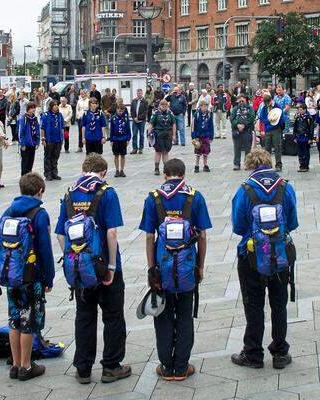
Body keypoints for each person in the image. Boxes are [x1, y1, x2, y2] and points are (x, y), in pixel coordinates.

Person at [55, 154, 131, 384]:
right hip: (103, 264)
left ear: (83, 169)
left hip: (81, 267)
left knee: (85, 316)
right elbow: (111, 232)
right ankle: (111, 366)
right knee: (113, 315)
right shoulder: (107, 192)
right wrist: (111, 266)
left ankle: (83, 368)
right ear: (104, 172)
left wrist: (72, 261)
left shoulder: (69, 194)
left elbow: (60, 234)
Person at [139, 158, 211, 381]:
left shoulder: (154, 197)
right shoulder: (194, 196)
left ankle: (166, 366)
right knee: (185, 314)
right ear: (183, 175)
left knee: (162, 314)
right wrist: (200, 266)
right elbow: (203, 235)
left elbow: (150, 236)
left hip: (163, 265)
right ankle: (181, 366)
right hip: (188, 266)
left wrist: (152, 269)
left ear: (164, 174)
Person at [231, 148, 298, 369]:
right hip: (279, 253)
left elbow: (239, 226)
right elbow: (293, 222)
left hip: (251, 255)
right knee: (279, 304)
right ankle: (280, 352)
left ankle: (253, 353)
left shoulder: (245, 190)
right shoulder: (285, 187)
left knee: (254, 305)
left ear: (250, 166)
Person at [0, 172, 55, 381]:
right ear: (40, 191)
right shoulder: (39, 214)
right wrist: (48, 277)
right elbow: (44, 249)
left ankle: (15, 364)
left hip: (11, 273)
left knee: (14, 319)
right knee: (29, 320)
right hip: (32, 274)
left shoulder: (8, 211)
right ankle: (26, 366)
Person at [149, 99, 177, 176]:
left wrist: (174, 135)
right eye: (162, 105)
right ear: (160, 106)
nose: (164, 107)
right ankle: (156, 168)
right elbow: (151, 124)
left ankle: (166, 169)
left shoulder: (170, 113)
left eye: (165, 106)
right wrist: (149, 134)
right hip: (158, 134)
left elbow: (174, 124)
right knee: (158, 151)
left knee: (165, 152)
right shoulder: (156, 113)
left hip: (168, 134)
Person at [258, 94, 284, 171]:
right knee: (267, 148)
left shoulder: (277, 106)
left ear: (271, 100)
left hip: (276, 129)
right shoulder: (264, 107)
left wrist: (276, 123)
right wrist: (268, 121)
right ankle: (267, 165)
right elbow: (262, 118)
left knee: (277, 148)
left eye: (268, 103)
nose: (267, 105)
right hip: (268, 130)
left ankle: (278, 165)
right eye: (266, 103)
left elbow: (281, 118)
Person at [230, 94, 256, 171]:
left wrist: (244, 125)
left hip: (247, 131)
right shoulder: (235, 109)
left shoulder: (250, 108)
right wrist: (237, 125)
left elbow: (251, 118)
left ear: (246, 100)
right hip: (237, 131)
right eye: (240, 101)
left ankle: (247, 164)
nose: (241, 102)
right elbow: (232, 118)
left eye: (243, 101)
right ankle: (236, 164)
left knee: (248, 149)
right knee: (237, 148)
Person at [40, 101, 64, 181]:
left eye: (57, 105)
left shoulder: (60, 115)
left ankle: (54, 173)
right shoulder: (46, 115)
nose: (56, 106)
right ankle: (48, 174)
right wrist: (43, 138)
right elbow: (42, 128)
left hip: (58, 140)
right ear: (51, 107)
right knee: (48, 157)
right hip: (49, 140)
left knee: (55, 157)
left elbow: (62, 127)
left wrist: (62, 138)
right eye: (54, 105)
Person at [191, 100, 214, 173]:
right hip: (198, 135)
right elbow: (193, 126)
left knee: (206, 151)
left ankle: (205, 165)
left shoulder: (209, 114)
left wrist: (211, 136)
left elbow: (211, 125)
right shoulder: (196, 114)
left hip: (206, 135)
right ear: (200, 106)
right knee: (198, 151)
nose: (204, 107)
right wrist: (193, 136)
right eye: (202, 106)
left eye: (205, 106)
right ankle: (196, 165)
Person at [18, 103, 41, 176]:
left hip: (33, 143)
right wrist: (22, 144)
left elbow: (37, 130)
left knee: (31, 161)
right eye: (32, 108)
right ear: (28, 109)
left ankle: (29, 176)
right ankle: (24, 177)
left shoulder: (34, 118)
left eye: (34, 108)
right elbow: (21, 132)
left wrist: (37, 142)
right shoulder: (24, 118)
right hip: (26, 144)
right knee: (25, 162)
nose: (33, 109)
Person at [110, 104, 131, 177]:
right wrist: (111, 140)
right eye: (119, 109)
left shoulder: (125, 118)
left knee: (123, 155)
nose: (120, 111)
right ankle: (117, 170)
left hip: (123, 139)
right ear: (116, 109)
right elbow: (111, 129)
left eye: (122, 110)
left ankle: (122, 170)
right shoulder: (113, 118)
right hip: (115, 139)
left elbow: (128, 128)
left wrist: (128, 138)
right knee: (116, 155)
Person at [293, 104, 315, 172]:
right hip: (299, 137)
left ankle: (306, 166)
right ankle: (301, 165)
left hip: (306, 137)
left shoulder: (309, 118)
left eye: (301, 110)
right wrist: (294, 137)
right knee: (300, 152)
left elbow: (311, 128)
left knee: (306, 152)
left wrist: (310, 138)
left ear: (305, 110)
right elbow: (295, 128)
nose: (300, 111)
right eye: (299, 110)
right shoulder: (297, 117)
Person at [131, 88, 148, 155]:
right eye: (138, 93)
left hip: (142, 121)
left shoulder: (145, 101)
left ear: (142, 93)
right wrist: (134, 118)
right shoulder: (133, 101)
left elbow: (145, 112)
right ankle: (134, 148)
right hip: (135, 121)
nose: (139, 94)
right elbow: (132, 111)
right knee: (134, 135)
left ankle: (141, 148)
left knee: (141, 135)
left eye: (140, 93)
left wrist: (138, 118)